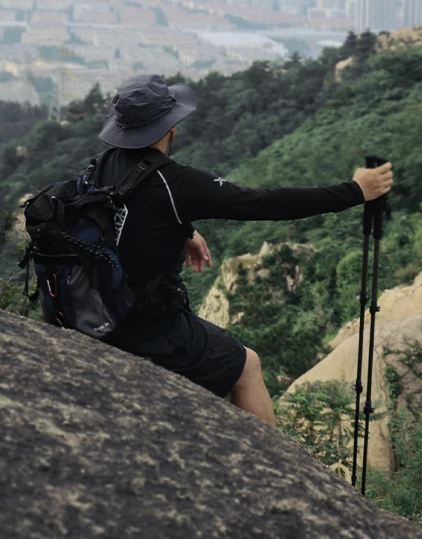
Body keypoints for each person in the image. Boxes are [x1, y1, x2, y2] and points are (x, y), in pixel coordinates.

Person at [97, 74, 393, 427]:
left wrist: (184, 229)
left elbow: (125, 213)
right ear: (169, 128)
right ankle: (273, 471)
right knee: (246, 365)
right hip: (143, 325)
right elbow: (265, 203)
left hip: (97, 306)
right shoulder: (174, 182)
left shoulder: (104, 163)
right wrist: (355, 191)